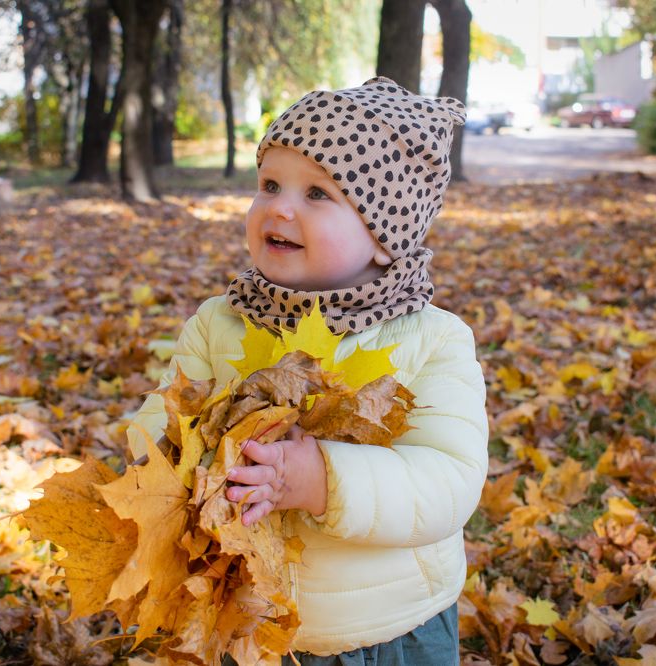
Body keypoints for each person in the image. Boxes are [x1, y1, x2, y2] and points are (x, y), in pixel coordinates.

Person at [126, 77, 489, 666]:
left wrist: (322, 479)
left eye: (318, 193)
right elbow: (157, 422)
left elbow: (449, 479)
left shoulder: (433, 340)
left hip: (390, 626)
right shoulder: (222, 323)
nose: (280, 207)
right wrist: (172, 461)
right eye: (269, 184)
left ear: (383, 235)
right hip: (246, 614)